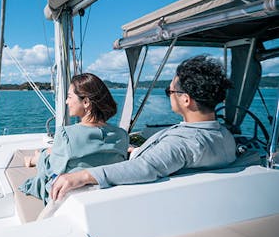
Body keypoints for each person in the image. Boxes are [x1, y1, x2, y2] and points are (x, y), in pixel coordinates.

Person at [50, 55, 237, 201]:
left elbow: (145, 167)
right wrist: (137, 150)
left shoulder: (183, 142)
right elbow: (171, 158)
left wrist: (82, 176)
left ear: (186, 99)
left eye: (169, 91)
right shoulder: (225, 136)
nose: (169, 95)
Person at [19, 73, 128, 204]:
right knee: (53, 152)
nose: (66, 101)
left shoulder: (66, 134)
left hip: (69, 199)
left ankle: (33, 158)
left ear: (86, 102)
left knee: (46, 156)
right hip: (106, 198)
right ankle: (41, 155)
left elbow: (52, 173)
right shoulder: (121, 135)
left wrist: (44, 158)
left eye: (69, 97)